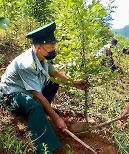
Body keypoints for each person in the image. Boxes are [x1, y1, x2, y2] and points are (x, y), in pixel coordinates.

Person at [0, 22, 88, 153]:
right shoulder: (26, 64)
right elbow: (37, 96)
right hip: (11, 95)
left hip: (28, 91)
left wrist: (73, 83)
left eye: (53, 46)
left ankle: (41, 113)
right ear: (39, 48)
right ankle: (46, 149)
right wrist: (56, 118)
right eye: (51, 47)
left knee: (54, 82)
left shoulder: (43, 57)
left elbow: (54, 74)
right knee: (34, 105)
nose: (53, 50)